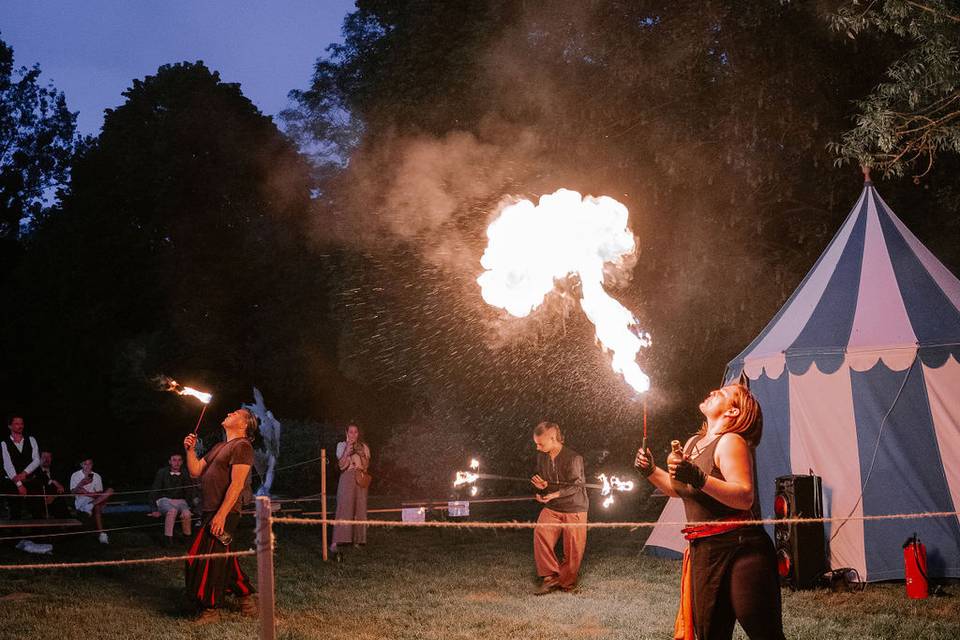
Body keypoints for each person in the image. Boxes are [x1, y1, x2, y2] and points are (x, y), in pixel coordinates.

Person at [635, 384, 785, 640]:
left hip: (741, 550)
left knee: (765, 634)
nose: (715, 391)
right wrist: (651, 470)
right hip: (704, 550)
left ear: (733, 412)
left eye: (723, 394)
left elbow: (744, 496)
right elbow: (679, 490)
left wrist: (697, 476)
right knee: (709, 634)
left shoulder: (731, 442)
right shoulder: (693, 442)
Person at [183, 408, 258, 624]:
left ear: (244, 424)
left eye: (235, 413)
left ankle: (211, 609)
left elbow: (237, 484)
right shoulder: (219, 447)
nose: (229, 413)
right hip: (210, 510)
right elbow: (196, 470)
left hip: (224, 512)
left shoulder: (242, 446)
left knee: (205, 559)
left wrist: (221, 515)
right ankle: (245, 599)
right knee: (224, 556)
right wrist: (190, 450)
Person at [530, 421, 589, 595]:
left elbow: (577, 485)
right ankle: (550, 578)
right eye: (536, 443)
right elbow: (543, 480)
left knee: (573, 548)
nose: (537, 447)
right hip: (553, 506)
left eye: (540, 443)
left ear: (553, 438)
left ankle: (567, 584)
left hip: (575, 507)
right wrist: (541, 488)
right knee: (541, 534)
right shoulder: (542, 456)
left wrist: (555, 494)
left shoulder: (573, 457)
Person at [330, 423, 370, 555]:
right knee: (343, 507)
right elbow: (342, 465)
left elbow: (365, 467)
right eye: (351, 432)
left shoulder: (363, 446)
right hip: (347, 476)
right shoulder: (341, 445)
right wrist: (347, 449)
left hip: (360, 477)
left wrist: (361, 454)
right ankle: (335, 542)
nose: (353, 434)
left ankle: (357, 541)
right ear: (346, 432)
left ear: (358, 433)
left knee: (360, 508)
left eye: (355, 432)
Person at [149, 453, 198, 545]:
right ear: (170, 462)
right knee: (172, 511)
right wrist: (154, 509)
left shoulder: (185, 473)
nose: (177, 463)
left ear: (182, 462)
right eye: (174, 460)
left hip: (180, 500)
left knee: (187, 514)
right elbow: (155, 490)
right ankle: (168, 539)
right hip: (165, 499)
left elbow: (189, 490)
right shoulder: (162, 472)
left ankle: (187, 539)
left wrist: (190, 506)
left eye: (179, 460)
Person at [1, 415, 43, 520]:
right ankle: (16, 535)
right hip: (13, 483)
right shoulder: (4, 443)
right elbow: (7, 465)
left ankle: (38, 535)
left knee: (37, 512)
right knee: (15, 513)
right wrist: (19, 484)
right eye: (17, 423)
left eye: (22, 424)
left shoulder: (31, 439)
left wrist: (24, 473)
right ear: (10, 426)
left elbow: (37, 460)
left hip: (31, 481)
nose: (20, 426)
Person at [70, 457, 115, 543]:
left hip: (94, 498)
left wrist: (88, 493)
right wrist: (81, 483)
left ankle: (89, 506)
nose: (87, 466)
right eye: (85, 464)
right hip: (81, 501)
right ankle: (102, 534)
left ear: (92, 465)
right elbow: (73, 493)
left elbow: (99, 493)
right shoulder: (75, 475)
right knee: (97, 506)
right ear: (81, 465)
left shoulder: (96, 476)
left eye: (89, 464)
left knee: (110, 490)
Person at [36, 451, 70, 519]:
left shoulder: (57, 471)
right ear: (39, 459)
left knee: (60, 503)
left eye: (49, 457)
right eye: (44, 457)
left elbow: (63, 488)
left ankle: (67, 526)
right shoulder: (35, 472)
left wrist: (53, 497)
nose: (46, 459)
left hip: (55, 500)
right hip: (40, 500)